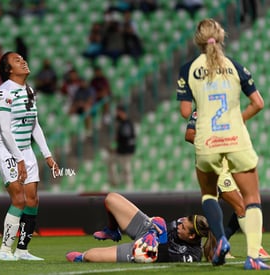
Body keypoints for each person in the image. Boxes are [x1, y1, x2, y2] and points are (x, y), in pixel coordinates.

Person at [176, 18, 269, 269]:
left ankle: (221, 241)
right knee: (251, 198)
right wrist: (237, 119)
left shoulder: (188, 69)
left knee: (209, 194)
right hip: (236, 138)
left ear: (198, 40)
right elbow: (258, 103)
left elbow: (186, 111)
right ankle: (253, 257)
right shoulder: (235, 66)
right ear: (221, 37)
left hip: (207, 142)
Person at [0, 51, 59, 261]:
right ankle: (4, 250)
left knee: (32, 200)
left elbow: (34, 125)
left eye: (23, 58)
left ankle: (22, 250)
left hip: (26, 151)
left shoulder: (29, 90)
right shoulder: (4, 92)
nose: (23, 61)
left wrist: (47, 155)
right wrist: (19, 158)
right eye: (17, 60)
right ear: (8, 69)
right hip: (8, 150)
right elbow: (4, 131)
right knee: (19, 199)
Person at [185, 109, 270, 260]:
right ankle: (255, 250)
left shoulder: (226, 110)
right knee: (242, 206)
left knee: (243, 206)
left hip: (229, 166)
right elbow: (189, 135)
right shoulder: (200, 111)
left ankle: (216, 247)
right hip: (215, 168)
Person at [66, 192, 214, 263]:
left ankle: (82, 257)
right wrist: (154, 228)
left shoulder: (193, 256)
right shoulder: (179, 226)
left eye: (183, 226)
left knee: (89, 256)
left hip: (146, 251)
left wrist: (159, 239)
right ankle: (112, 230)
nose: (178, 225)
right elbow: (161, 227)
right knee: (111, 199)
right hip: (148, 234)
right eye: (181, 222)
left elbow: (164, 258)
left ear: (191, 236)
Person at [108, 105, 135, 188]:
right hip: (122, 150)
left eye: (118, 112)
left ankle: (129, 186)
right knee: (111, 162)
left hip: (125, 151)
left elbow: (125, 138)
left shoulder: (126, 124)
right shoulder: (123, 124)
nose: (117, 114)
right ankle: (116, 183)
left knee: (126, 168)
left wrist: (116, 148)